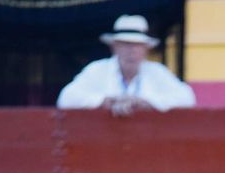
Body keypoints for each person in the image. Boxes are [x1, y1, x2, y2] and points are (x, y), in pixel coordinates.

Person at [56, 14, 195, 115]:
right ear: (114, 47)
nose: (131, 51)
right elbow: (66, 98)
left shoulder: (157, 72)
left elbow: (187, 98)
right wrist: (106, 101)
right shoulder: (97, 70)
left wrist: (145, 102)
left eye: (137, 45)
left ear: (146, 49)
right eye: (126, 44)